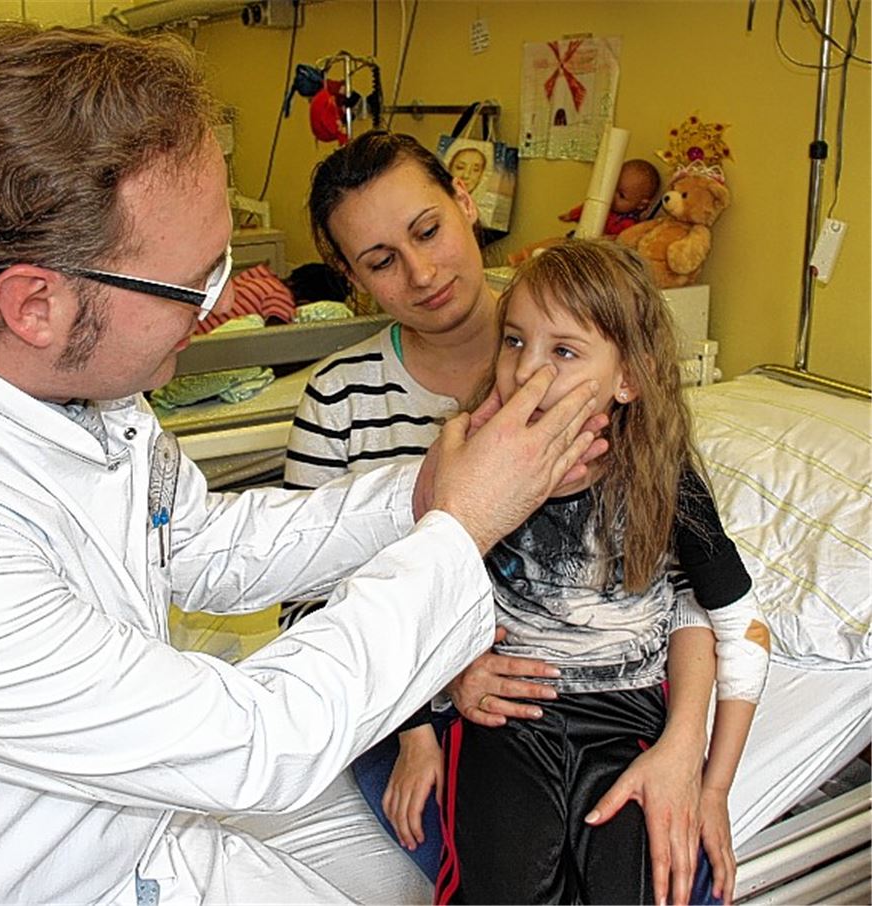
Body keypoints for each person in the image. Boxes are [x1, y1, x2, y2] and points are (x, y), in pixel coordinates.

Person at [0, 23, 607, 905]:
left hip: (122, 822)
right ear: (36, 302)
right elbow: (263, 741)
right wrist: (460, 526)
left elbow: (203, 545)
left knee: (411, 890)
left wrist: (422, 490)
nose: (226, 299)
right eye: (197, 278)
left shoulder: (69, 372)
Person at [288, 131, 728, 906]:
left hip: (604, 701)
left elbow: (683, 578)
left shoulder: (582, 340)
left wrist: (688, 746)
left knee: (669, 876)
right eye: (382, 260)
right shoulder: (338, 401)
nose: (421, 273)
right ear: (351, 278)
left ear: (465, 204)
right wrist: (431, 701)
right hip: (408, 696)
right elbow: (306, 609)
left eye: (427, 230)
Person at [432, 240, 771, 905]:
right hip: (509, 719)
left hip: (625, 721)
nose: (527, 370)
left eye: (563, 351)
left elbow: (742, 633)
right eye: (514, 341)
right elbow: (418, 601)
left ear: (629, 380)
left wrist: (713, 787)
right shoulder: (471, 467)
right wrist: (432, 709)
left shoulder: (665, 484)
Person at [558, 157, 661, 237]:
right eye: (612, 188)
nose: (612, 196)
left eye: (621, 195)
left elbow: (622, 240)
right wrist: (571, 215)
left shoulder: (629, 224)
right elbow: (588, 209)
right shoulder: (604, 206)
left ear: (641, 205)